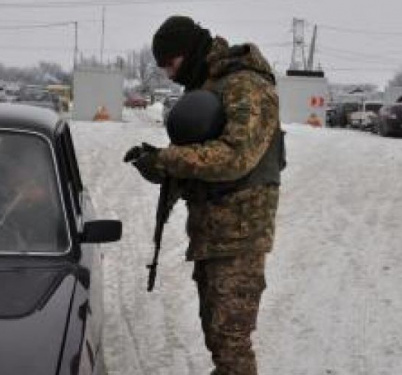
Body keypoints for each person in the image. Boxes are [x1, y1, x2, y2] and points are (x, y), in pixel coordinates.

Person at [125, 15, 285, 375]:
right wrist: (158, 165)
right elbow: (199, 157)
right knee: (217, 338)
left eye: (170, 63)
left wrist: (170, 160)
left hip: (239, 235)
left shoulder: (246, 84)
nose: (168, 74)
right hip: (213, 232)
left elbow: (235, 157)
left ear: (189, 50)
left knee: (231, 344)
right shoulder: (209, 86)